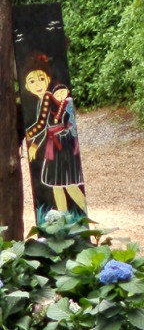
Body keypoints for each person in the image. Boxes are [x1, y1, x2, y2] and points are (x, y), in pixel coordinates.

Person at [22, 56, 87, 215]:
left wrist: (29, 136)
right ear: (25, 85)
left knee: (67, 184)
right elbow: (47, 128)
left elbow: (42, 124)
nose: (37, 84)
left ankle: (80, 215)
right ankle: (65, 217)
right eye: (32, 81)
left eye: (41, 78)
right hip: (58, 143)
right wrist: (35, 144)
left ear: (48, 79)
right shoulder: (46, 99)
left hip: (61, 145)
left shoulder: (47, 97)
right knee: (57, 185)